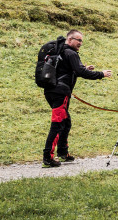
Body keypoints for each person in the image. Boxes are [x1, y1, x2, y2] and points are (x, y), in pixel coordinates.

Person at [43, 29, 112, 168]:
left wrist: (85, 68)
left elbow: (70, 70)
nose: (80, 43)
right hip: (61, 93)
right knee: (58, 123)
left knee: (65, 121)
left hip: (50, 91)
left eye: (81, 41)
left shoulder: (60, 52)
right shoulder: (71, 53)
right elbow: (81, 72)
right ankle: (48, 158)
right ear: (69, 39)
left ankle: (63, 152)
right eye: (78, 40)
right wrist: (101, 74)